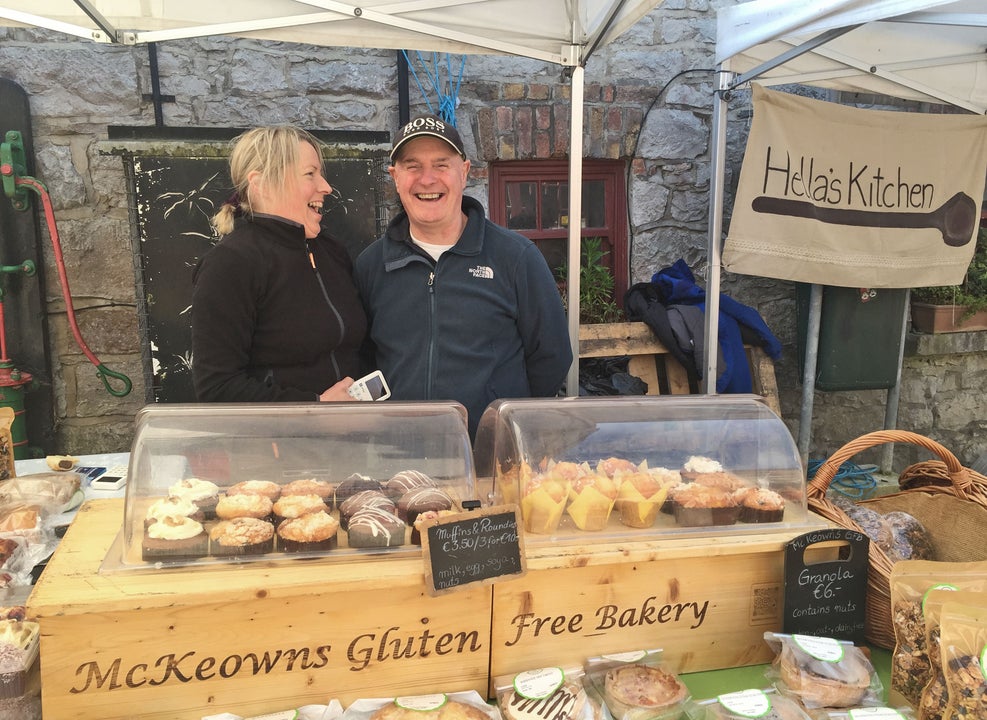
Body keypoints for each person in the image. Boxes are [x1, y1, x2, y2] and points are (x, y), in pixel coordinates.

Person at [354, 114, 572, 438]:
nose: (427, 180)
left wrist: (502, 429)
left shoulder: (515, 257)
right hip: (399, 458)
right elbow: (362, 357)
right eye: (412, 166)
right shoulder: (371, 265)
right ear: (395, 177)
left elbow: (551, 357)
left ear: (465, 172)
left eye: (441, 165)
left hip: (489, 457)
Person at [191, 125, 367, 402]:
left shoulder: (332, 252)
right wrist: (316, 409)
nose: (326, 187)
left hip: (350, 436)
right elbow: (217, 389)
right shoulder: (230, 264)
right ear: (261, 184)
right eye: (310, 174)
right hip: (277, 442)